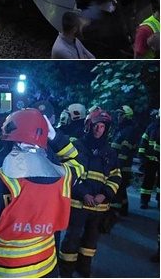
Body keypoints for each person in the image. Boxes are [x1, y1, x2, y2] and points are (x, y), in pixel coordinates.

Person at [0, 109, 85, 278]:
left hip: (7, 273)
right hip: (47, 269)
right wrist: (55, 138)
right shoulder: (63, 176)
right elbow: (78, 163)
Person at [59, 108, 121, 278]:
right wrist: (83, 194)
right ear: (88, 126)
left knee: (90, 243)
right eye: (95, 125)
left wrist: (105, 195)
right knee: (71, 239)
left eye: (102, 126)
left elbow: (116, 177)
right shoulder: (76, 146)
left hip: (99, 207)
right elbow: (68, 173)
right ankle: (66, 272)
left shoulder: (110, 152)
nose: (98, 129)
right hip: (78, 204)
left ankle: (84, 269)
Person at [103, 105, 138, 231]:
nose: (118, 117)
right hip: (118, 164)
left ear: (126, 116)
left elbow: (124, 151)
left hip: (122, 166)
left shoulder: (129, 131)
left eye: (121, 115)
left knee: (117, 189)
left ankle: (114, 212)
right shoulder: (121, 129)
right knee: (121, 189)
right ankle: (124, 210)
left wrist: (116, 165)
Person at [138, 110, 159, 209]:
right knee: (147, 181)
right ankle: (144, 201)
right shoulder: (152, 127)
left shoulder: (152, 126)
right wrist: (142, 156)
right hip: (150, 160)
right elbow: (144, 142)